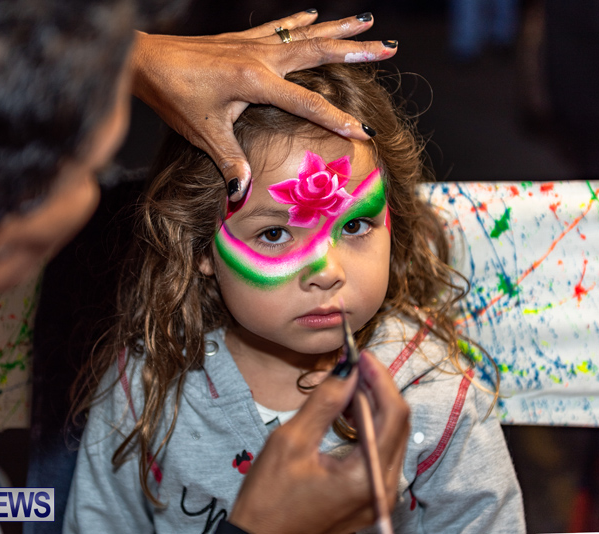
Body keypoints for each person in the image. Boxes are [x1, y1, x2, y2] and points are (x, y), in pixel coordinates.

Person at [0, 0, 410, 532]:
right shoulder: (142, 396)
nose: (104, 195)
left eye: (353, 226)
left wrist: (135, 59)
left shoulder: (436, 390)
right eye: (92, 170)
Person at [65, 63, 526, 533]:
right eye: (274, 233)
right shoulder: (149, 387)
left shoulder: (434, 396)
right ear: (200, 245)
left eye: (353, 225)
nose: (326, 271)